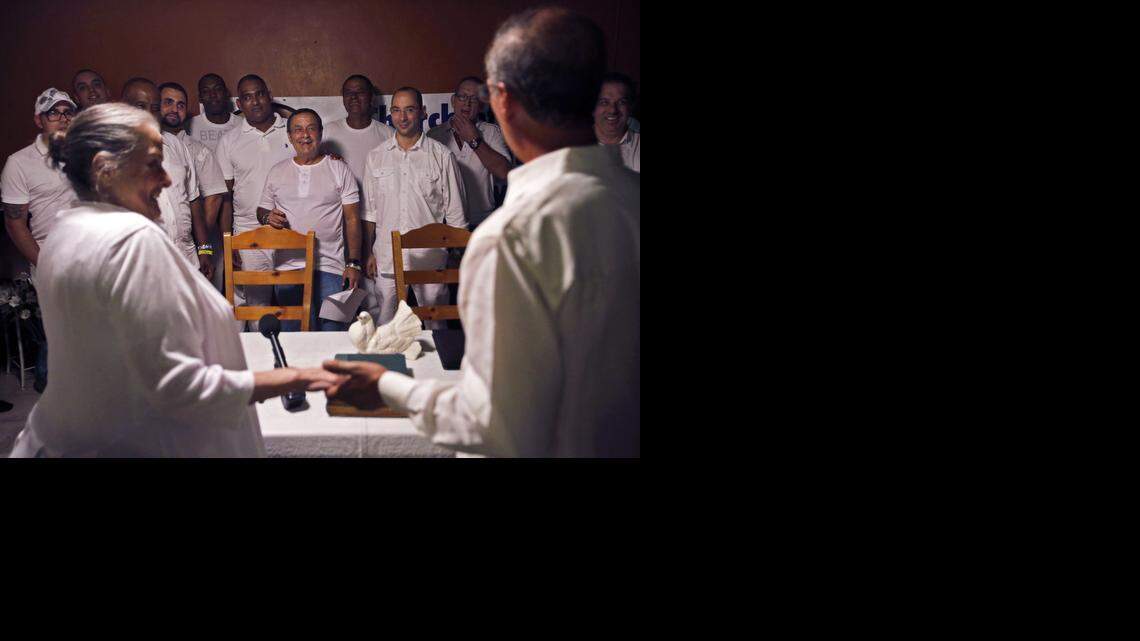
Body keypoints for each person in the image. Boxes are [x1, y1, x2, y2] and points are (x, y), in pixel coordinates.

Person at [323, 7, 640, 457]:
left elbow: (490, 423)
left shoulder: (512, 237)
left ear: (502, 101)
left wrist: (388, 386)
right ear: (595, 97)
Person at [7, 103, 339, 458]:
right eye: (153, 165)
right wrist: (294, 379)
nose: (167, 180)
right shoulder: (130, 242)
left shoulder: (63, 229)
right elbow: (176, 387)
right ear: (105, 169)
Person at [360, 86, 466, 326]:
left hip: (430, 258)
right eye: (396, 110)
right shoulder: (376, 156)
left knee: (436, 326)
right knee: (386, 327)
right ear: (390, 113)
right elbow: (370, 213)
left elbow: (456, 216)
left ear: (423, 112)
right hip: (386, 257)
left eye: (409, 110)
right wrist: (368, 252)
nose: (403, 117)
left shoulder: (441, 156)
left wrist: (455, 257)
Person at [1, 88, 79, 394]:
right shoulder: (19, 163)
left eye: (67, 112)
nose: (61, 119)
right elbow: (15, 223)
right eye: (53, 113)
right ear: (38, 119)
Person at [257, 108, 362, 331]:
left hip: (331, 266)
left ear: (321, 133)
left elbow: (352, 219)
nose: (305, 135)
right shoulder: (277, 171)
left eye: (311, 128)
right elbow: (261, 210)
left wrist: (353, 263)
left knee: (332, 333)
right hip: (288, 268)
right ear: (289, 136)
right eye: (298, 129)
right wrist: (268, 217)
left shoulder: (339, 168)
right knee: (292, 336)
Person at [214, 74, 296, 330]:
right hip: (248, 232)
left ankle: (290, 365)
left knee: (291, 306)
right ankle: (254, 366)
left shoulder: (293, 131)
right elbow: (225, 198)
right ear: (240, 103)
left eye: (259, 94)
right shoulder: (229, 141)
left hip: (292, 230)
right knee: (255, 306)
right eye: (247, 97)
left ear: (269, 95)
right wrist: (230, 242)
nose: (255, 102)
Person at [427, 76, 513, 229]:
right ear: (453, 101)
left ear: (481, 105)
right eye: (462, 97)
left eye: (474, 99)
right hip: (445, 223)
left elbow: (504, 172)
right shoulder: (434, 135)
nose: (467, 103)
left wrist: (474, 140)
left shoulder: (491, 132)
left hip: (483, 223)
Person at [159, 81, 224, 281]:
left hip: (188, 250)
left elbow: (207, 200)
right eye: (168, 102)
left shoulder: (191, 149)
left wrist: (202, 247)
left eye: (180, 105)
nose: (174, 109)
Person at [594, 72, 640, 173]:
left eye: (621, 102)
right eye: (604, 102)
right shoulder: (574, 145)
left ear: (630, 107)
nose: (612, 110)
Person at [188, 73, 244, 152]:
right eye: (206, 91)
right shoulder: (190, 125)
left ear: (226, 93)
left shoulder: (242, 124)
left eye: (218, 89)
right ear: (200, 98)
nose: (213, 95)